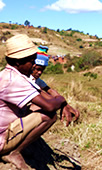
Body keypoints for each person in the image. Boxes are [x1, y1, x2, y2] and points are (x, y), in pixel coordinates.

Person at [0, 34, 78, 169]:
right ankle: (13, 152)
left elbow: (44, 94)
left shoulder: (10, 74)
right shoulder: (15, 81)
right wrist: (62, 100)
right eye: (31, 61)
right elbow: (49, 106)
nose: (33, 65)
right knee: (49, 115)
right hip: (2, 139)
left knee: (36, 107)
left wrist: (61, 103)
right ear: (18, 62)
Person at [29, 45, 80, 126]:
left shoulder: (37, 80)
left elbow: (50, 90)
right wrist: (63, 103)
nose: (40, 73)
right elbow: (44, 95)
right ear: (32, 66)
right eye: (37, 69)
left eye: (42, 70)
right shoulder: (26, 79)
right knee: (46, 109)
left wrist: (65, 105)